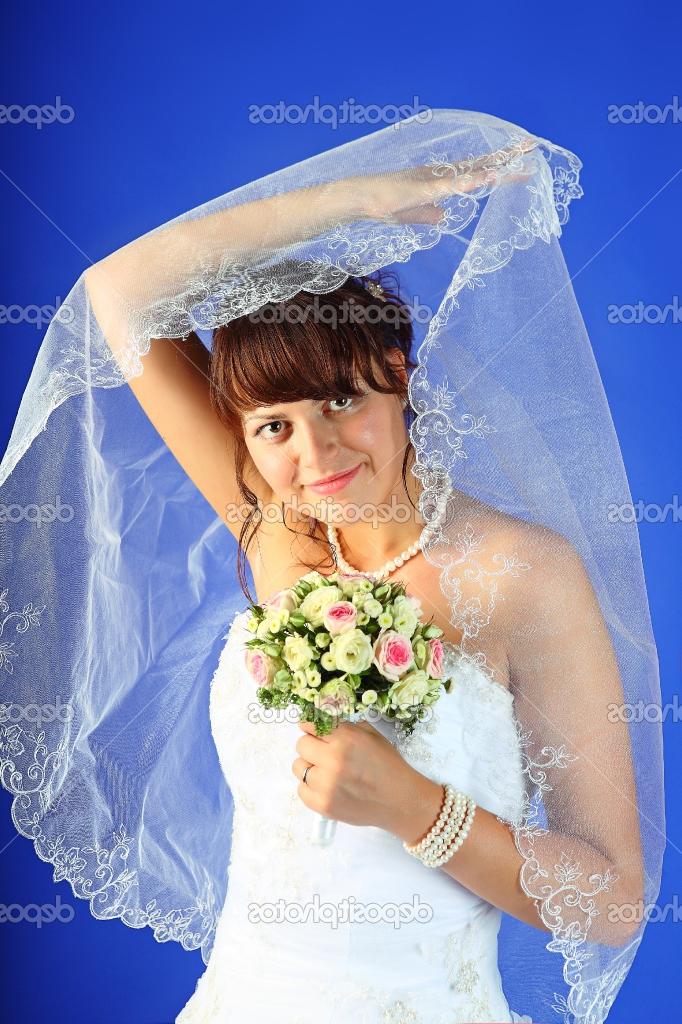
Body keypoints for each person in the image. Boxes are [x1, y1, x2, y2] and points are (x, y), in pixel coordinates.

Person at [0, 110, 663, 1023]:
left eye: (342, 399)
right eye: (274, 426)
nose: (316, 455)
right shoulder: (280, 532)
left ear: (398, 373)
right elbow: (115, 295)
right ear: (244, 438)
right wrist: (350, 204)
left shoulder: (520, 575)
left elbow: (615, 902)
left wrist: (421, 810)